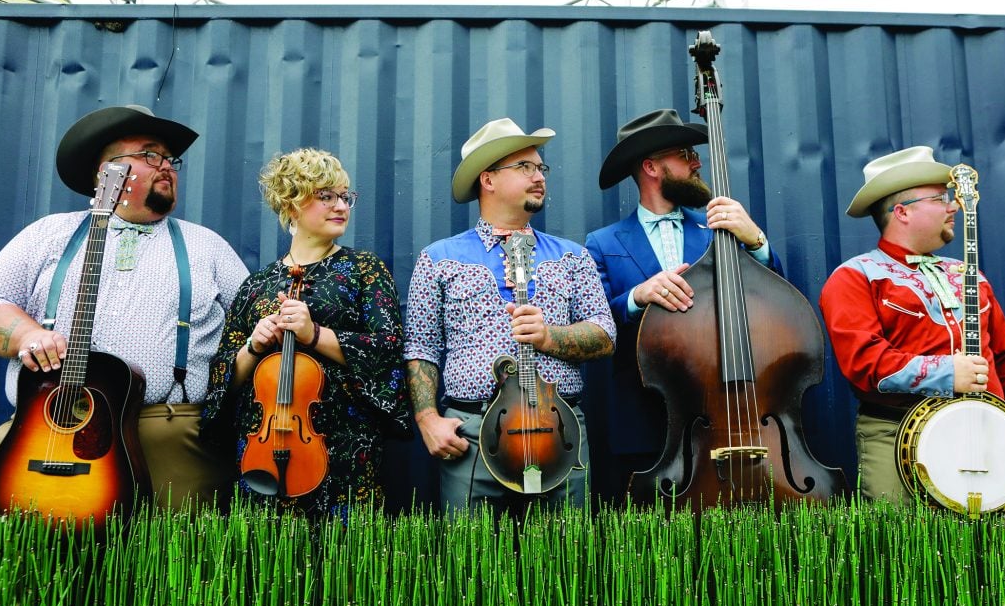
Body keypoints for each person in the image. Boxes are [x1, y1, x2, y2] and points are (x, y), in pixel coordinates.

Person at [0, 104, 249, 509]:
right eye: (150, 155)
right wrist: (26, 335)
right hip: (46, 428)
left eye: (170, 159)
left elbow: (250, 327)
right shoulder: (46, 235)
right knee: (21, 538)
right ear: (106, 173)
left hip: (169, 431)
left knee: (178, 546)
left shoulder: (208, 246)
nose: (166, 166)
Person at [404, 118, 616, 515]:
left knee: (567, 549)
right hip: (471, 433)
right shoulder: (438, 259)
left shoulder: (573, 257)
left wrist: (549, 337)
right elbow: (421, 346)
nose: (540, 177)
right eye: (525, 167)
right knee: (472, 550)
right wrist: (428, 419)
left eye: (541, 167)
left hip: (559, 429)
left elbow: (605, 335)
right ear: (488, 179)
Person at [584, 108, 782, 503]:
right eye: (685, 155)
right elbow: (596, 323)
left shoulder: (720, 230)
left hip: (728, 414)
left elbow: (776, 298)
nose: (697, 163)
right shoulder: (602, 243)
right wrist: (637, 296)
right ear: (651, 167)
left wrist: (756, 239)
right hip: (643, 416)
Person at [201, 148, 411, 518]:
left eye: (345, 196)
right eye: (326, 196)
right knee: (266, 547)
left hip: (345, 447)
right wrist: (253, 346)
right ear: (292, 203)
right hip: (265, 445)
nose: (341, 206)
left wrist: (314, 334)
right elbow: (221, 378)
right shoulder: (257, 285)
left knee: (344, 549)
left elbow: (388, 350)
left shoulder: (363, 269)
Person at [819, 146, 1005, 502]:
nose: (954, 206)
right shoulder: (855, 277)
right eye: (941, 198)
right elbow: (865, 363)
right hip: (897, 433)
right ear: (902, 211)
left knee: (999, 535)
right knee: (903, 534)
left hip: (988, 435)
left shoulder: (970, 276)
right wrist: (948, 372)